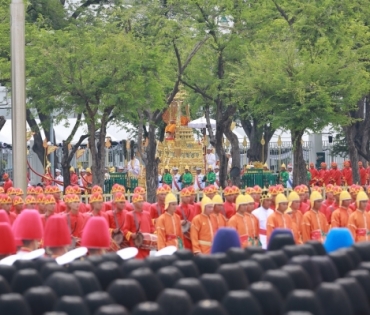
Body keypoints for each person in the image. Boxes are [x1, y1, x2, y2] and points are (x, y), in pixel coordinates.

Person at [123, 193, 154, 259]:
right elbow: (125, 230)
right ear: (134, 203)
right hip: (136, 244)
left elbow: (152, 227)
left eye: (142, 201)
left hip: (146, 245)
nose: (142, 203)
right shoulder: (129, 215)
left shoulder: (147, 214)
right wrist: (132, 234)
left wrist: (154, 234)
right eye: (139, 201)